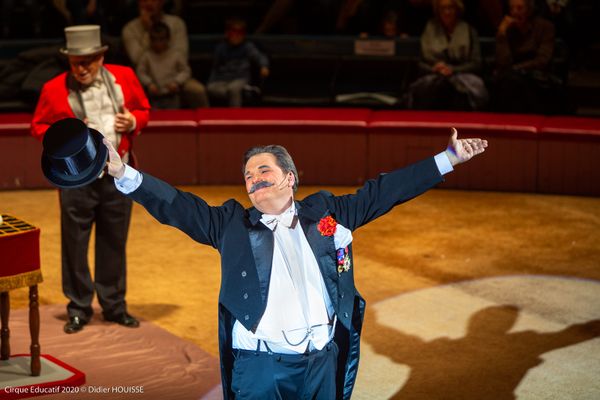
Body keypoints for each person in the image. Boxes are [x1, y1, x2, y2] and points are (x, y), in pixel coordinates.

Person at [102, 126, 487, 398]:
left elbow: (385, 193)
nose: (253, 179)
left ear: (290, 177)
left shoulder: (326, 212)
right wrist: (122, 172)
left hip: (322, 362)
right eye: (248, 176)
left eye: (263, 170)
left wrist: (448, 158)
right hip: (260, 368)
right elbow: (175, 205)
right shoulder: (230, 223)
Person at [31, 25, 150, 334]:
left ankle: (114, 305)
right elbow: (39, 125)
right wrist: (67, 132)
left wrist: (134, 120)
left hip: (117, 171)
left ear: (100, 57)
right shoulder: (53, 88)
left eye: (87, 62)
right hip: (76, 180)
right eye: (75, 63)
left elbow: (143, 108)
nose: (81, 69)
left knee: (114, 240)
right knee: (75, 242)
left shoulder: (124, 77)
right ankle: (78, 307)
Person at [122, 0, 209, 108]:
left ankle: (208, 123)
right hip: (147, 77)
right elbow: (136, 60)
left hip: (174, 74)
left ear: (162, 2)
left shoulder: (177, 23)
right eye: (144, 0)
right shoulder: (129, 29)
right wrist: (148, 31)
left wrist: (176, 81)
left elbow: (182, 56)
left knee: (197, 90)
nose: (149, 3)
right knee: (124, 92)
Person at [405, 0, 488, 110]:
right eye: (443, 8)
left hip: (462, 75)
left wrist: (453, 69)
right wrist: (434, 69)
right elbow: (420, 63)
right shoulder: (429, 29)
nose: (447, 12)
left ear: (457, 10)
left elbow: (476, 63)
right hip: (434, 74)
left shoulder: (468, 30)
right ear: (438, 11)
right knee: (431, 88)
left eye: (451, 8)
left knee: (466, 90)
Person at [493, 0, 555, 113]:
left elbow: (543, 60)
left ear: (529, 10)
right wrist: (501, 35)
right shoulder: (508, 29)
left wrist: (517, 68)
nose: (515, 12)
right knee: (508, 82)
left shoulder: (545, 27)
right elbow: (503, 62)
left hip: (535, 76)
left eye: (519, 8)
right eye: (512, 9)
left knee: (512, 82)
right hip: (510, 77)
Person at [207, 17, 270, 107]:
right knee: (210, 88)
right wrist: (211, 81)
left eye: (240, 33)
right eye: (233, 32)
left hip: (240, 78)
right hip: (222, 80)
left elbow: (260, 57)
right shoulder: (221, 48)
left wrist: (264, 66)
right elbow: (215, 67)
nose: (236, 36)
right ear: (227, 33)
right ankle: (245, 92)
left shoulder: (247, 47)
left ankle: (235, 117)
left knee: (233, 89)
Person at [136, 21, 191, 109]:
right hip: (154, 95)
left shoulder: (176, 54)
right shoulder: (147, 56)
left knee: (173, 118)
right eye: (155, 39)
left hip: (172, 94)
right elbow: (141, 72)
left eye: (161, 39)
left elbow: (185, 71)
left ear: (168, 39)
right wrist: (149, 83)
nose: (158, 43)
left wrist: (177, 82)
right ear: (151, 40)